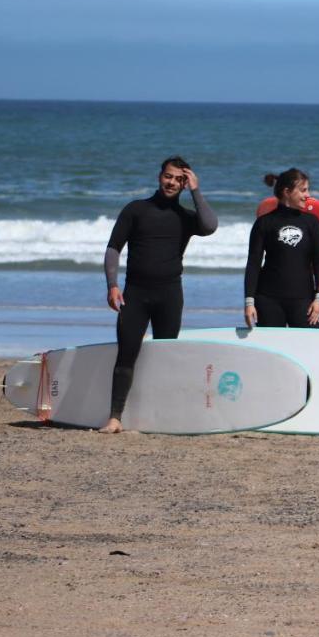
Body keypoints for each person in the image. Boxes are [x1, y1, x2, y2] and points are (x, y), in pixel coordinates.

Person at [99, 156, 218, 433]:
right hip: (135, 294)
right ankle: (115, 417)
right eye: (169, 176)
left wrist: (196, 190)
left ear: (184, 182)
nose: (172, 183)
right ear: (159, 176)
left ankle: (164, 416)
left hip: (170, 294)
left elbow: (210, 226)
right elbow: (113, 247)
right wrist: (112, 284)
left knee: (166, 356)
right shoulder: (136, 210)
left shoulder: (186, 217)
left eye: (179, 179)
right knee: (126, 355)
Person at [244, 168, 319, 329]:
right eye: (303, 190)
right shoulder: (264, 223)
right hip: (268, 300)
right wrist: (249, 302)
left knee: (313, 347)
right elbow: (253, 264)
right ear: (287, 191)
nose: (308, 195)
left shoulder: (311, 222)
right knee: (270, 351)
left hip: (304, 300)